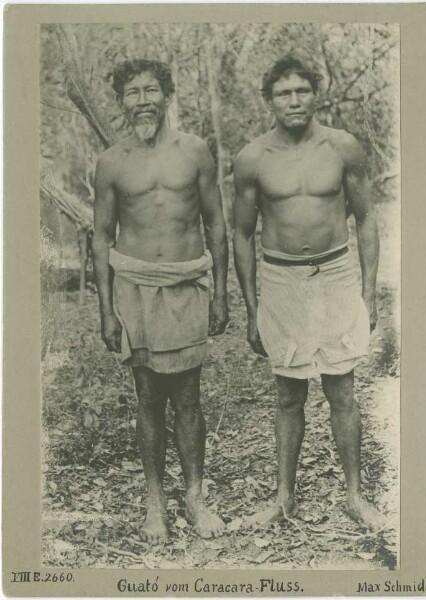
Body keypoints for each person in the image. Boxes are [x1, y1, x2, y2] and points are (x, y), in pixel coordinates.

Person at [233, 55, 385, 530]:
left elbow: (365, 219)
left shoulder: (343, 147)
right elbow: (241, 234)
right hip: (281, 278)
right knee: (288, 394)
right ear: (269, 100)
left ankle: (355, 497)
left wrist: (370, 290)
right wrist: (252, 306)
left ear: (316, 94)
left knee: (342, 389)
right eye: (284, 93)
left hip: (336, 275)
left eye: (302, 91)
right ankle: (284, 499)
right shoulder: (252, 158)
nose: (294, 100)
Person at [92, 59, 229, 543]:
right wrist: (106, 308)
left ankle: (195, 497)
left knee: (189, 398)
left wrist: (222, 292)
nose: (143, 100)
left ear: (168, 95)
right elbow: (101, 236)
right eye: (132, 92)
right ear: (122, 102)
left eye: (151, 90)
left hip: (186, 282)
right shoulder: (111, 161)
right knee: (148, 397)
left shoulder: (194, 152)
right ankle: (155, 503)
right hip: (134, 287)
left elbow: (215, 223)